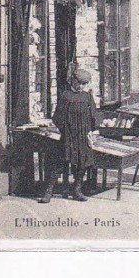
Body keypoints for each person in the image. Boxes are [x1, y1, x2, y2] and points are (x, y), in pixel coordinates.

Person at [39, 67, 97, 203]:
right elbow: (57, 117)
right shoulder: (65, 96)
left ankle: (77, 191)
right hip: (68, 136)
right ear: (73, 81)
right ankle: (48, 192)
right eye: (79, 83)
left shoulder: (87, 97)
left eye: (84, 84)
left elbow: (93, 115)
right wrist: (65, 129)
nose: (81, 86)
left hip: (83, 136)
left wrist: (91, 130)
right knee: (59, 163)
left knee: (81, 164)